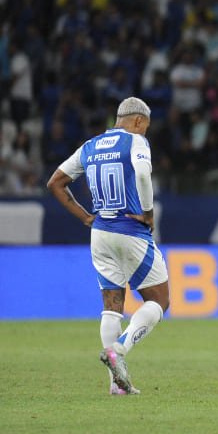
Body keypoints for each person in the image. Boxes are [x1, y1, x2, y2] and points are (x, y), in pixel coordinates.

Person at [45, 97, 168, 396]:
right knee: (159, 300)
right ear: (138, 121)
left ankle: (116, 385)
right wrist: (149, 213)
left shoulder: (90, 145)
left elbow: (55, 183)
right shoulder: (135, 142)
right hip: (131, 230)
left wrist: (86, 217)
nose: (145, 132)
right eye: (146, 127)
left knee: (112, 305)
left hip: (100, 233)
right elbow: (141, 174)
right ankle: (119, 350)